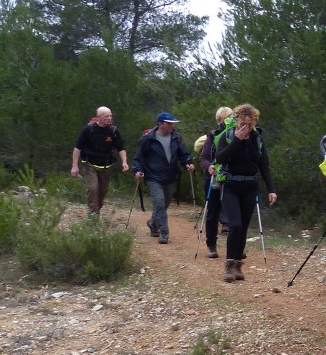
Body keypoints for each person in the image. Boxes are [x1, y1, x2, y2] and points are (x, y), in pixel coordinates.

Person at [213, 104, 278, 282]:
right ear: (236, 121)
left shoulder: (257, 139)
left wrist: (271, 189)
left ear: (254, 123)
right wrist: (237, 140)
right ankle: (228, 265)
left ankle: (237, 265)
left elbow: (264, 165)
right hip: (230, 185)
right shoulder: (227, 136)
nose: (245, 127)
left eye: (249, 124)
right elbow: (220, 158)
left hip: (249, 186)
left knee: (243, 228)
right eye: (243, 123)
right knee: (235, 225)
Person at [133, 112, 194, 244]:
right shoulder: (148, 138)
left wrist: (188, 163)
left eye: (172, 123)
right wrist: (138, 170)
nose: (172, 126)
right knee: (159, 203)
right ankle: (164, 233)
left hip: (171, 177)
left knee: (164, 204)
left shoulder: (177, 138)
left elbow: (184, 154)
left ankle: (153, 223)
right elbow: (139, 157)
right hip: (153, 177)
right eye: (169, 123)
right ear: (160, 124)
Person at [71, 107, 129, 216]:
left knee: (102, 192)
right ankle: (94, 215)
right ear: (99, 117)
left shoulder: (113, 131)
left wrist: (124, 162)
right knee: (93, 188)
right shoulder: (89, 130)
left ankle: (97, 209)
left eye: (110, 116)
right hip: (90, 165)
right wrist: (75, 166)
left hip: (106, 166)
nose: (109, 118)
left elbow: (121, 148)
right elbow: (77, 148)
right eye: (106, 116)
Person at [199, 106, 233, 259]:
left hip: (231, 180)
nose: (229, 120)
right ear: (219, 120)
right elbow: (204, 158)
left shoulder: (237, 135)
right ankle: (211, 245)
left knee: (234, 214)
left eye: (231, 117)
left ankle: (235, 248)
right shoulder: (212, 136)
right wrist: (209, 167)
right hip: (212, 179)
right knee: (212, 213)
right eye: (226, 117)